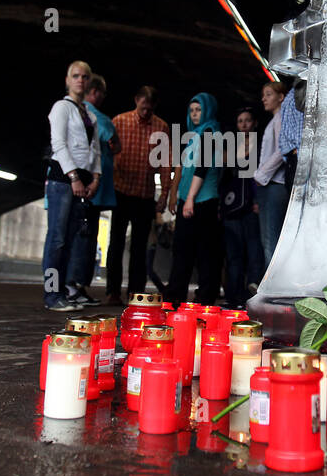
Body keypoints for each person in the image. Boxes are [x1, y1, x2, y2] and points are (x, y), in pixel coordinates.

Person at [42, 60, 100, 311]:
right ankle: (51, 295)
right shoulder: (61, 108)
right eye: (75, 76)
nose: (80, 80)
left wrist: (95, 177)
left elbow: (95, 149)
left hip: (82, 182)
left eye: (85, 77)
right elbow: (58, 144)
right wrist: (74, 177)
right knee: (56, 239)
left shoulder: (89, 114)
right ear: (67, 80)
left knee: (68, 239)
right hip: (62, 180)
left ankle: (63, 292)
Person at [105, 85, 168, 305]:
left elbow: (165, 164)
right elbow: (106, 153)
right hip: (121, 191)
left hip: (145, 194)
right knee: (116, 242)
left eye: (150, 109)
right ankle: (112, 292)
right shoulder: (119, 122)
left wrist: (164, 195)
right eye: (143, 107)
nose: (145, 112)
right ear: (136, 100)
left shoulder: (161, 127)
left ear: (155, 107)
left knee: (139, 247)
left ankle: (135, 293)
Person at [165, 93, 223, 306]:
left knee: (203, 252)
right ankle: (176, 298)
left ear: (207, 109)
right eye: (191, 110)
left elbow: (203, 167)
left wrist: (189, 198)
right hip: (190, 200)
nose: (194, 114)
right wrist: (176, 195)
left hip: (202, 200)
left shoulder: (210, 131)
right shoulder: (194, 135)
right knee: (184, 251)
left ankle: (202, 298)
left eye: (198, 110)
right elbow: (183, 169)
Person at [67, 72, 119, 304]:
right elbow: (114, 144)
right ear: (95, 92)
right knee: (86, 237)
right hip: (92, 190)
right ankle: (75, 286)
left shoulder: (72, 112)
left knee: (72, 234)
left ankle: (69, 285)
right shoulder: (96, 117)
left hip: (78, 183)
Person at [220, 106, 263, 307]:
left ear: (254, 123)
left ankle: (251, 297)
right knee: (234, 255)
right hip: (231, 205)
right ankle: (232, 297)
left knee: (254, 252)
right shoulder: (230, 146)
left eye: (247, 120)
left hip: (251, 206)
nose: (244, 124)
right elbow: (223, 178)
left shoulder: (262, 145)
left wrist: (259, 201)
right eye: (240, 121)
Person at [253, 80, 288, 265]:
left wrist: (261, 174)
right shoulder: (275, 119)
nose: (263, 99)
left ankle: (272, 291)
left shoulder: (281, 117)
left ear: (281, 97)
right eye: (263, 95)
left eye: (269, 94)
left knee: (270, 239)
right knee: (268, 239)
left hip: (274, 185)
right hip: (270, 185)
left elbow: (283, 149)